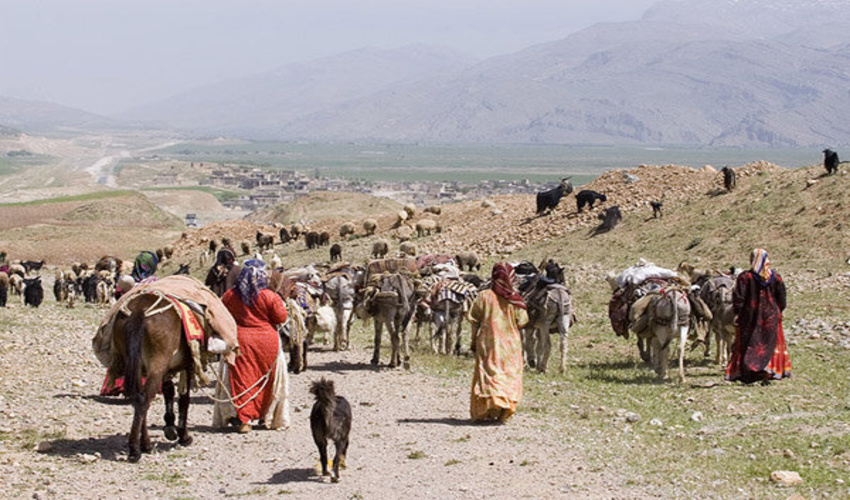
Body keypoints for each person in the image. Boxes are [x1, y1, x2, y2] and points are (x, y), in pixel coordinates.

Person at [221, 260, 289, 433]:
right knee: (268, 379)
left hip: (240, 341)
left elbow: (222, 315)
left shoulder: (230, 295)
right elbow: (281, 317)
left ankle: (245, 419)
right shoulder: (270, 296)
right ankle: (266, 416)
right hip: (267, 343)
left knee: (243, 378)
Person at [467, 262, 529, 422]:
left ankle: (488, 407)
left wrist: (473, 341)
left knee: (488, 373)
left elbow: (474, 320)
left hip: (488, 343)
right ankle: (504, 409)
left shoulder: (484, 296)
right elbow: (522, 321)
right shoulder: (516, 300)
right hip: (510, 345)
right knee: (509, 374)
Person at [725, 248, 791, 384]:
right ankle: (770, 369)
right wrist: (778, 311)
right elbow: (782, 299)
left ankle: (749, 370)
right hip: (771, 315)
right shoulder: (776, 277)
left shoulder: (745, 277)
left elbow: (739, 298)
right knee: (770, 341)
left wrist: (738, 313)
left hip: (750, 316)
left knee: (750, 341)